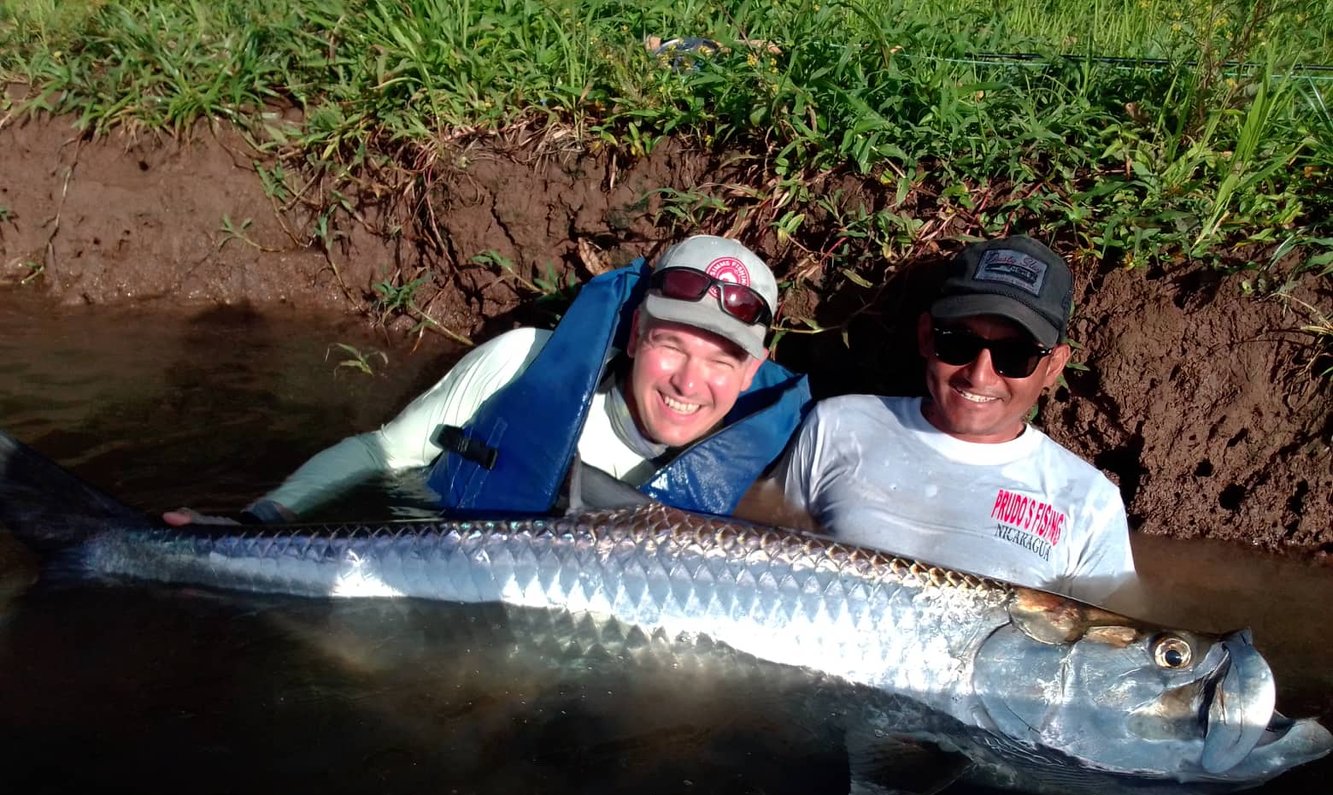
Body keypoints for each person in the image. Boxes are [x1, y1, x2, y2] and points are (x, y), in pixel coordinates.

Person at [165, 235, 811, 525]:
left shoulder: (772, 464)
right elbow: (379, 453)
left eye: (722, 359)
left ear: (753, 368)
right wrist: (260, 521)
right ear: (635, 336)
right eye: (671, 346)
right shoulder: (523, 362)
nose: (688, 383)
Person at [769, 234, 1136, 607]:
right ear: (927, 336)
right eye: (958, 342)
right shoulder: (836, 426)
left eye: (1015, 355)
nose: (979, 375)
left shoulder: (1088, 502)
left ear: (1053, 366)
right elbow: (764, 562)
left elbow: (1110, 644)